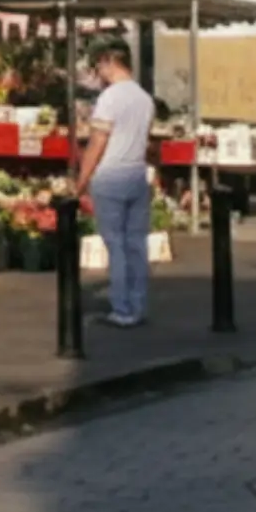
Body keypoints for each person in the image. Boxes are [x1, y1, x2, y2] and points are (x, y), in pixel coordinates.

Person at [72, 36, 157, 328]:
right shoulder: (144, 98)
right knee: (136, 243)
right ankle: (138, 304)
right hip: (136, 172)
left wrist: (80, 181)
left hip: (110, 175)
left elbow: (97, 142)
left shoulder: (110, 98)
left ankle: (121, 308)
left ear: (109, 60)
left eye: (99, 65)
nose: (99, 72)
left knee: (116, 245)